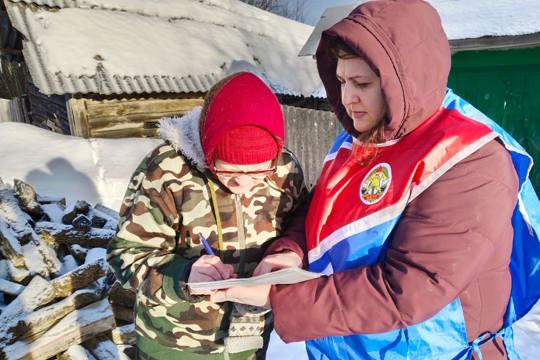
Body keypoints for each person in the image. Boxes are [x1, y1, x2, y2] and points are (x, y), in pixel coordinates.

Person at [210, 1, 540, 359]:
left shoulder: (470, 160)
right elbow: (323, 207)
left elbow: (410, 289)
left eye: (362, 83)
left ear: (403, 81)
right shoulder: (361, 139)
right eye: (340, 81)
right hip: (345, 347)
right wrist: (291, 252)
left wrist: (281, 298)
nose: (348, 98)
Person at [107, 71, 307, 360]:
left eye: (258, 172)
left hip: (253, 341)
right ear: (206, 151)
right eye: (228, 170)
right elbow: (126, 255)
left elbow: (300, 228)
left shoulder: (286, 170)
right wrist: (184, 276)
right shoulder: (166, 171)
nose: (244, 184)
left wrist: (288, 254)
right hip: (174, 346)